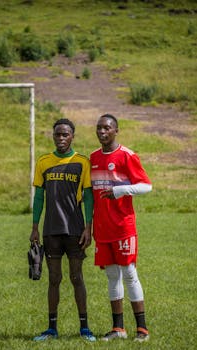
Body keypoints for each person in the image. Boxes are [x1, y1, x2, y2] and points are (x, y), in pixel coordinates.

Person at [30, 118, 96, 342]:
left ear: (72, 136)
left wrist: (89, 226)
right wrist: (35, 227)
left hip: (76, 230)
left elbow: (88, 196)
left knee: (77, 277)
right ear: (53, 136)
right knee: (54, 279)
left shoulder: (82, 162)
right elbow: (39, 196)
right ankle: (51, 329)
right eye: (57, 134)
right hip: (51, 230)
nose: (61, 138)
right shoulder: (43, 162)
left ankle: (85, 328)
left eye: (65, 134)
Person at [90, 114, 152, 342]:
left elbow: (147, 186)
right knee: (111, 276)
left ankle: (142, 330)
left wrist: (121, 191)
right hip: (102, 229)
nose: (102, 132)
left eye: (107, 128)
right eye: (99, 128)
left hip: (123, 226)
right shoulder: (93, 158)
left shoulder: (127, 155)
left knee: (129, 274)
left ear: (116, 130)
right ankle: (118, 329)